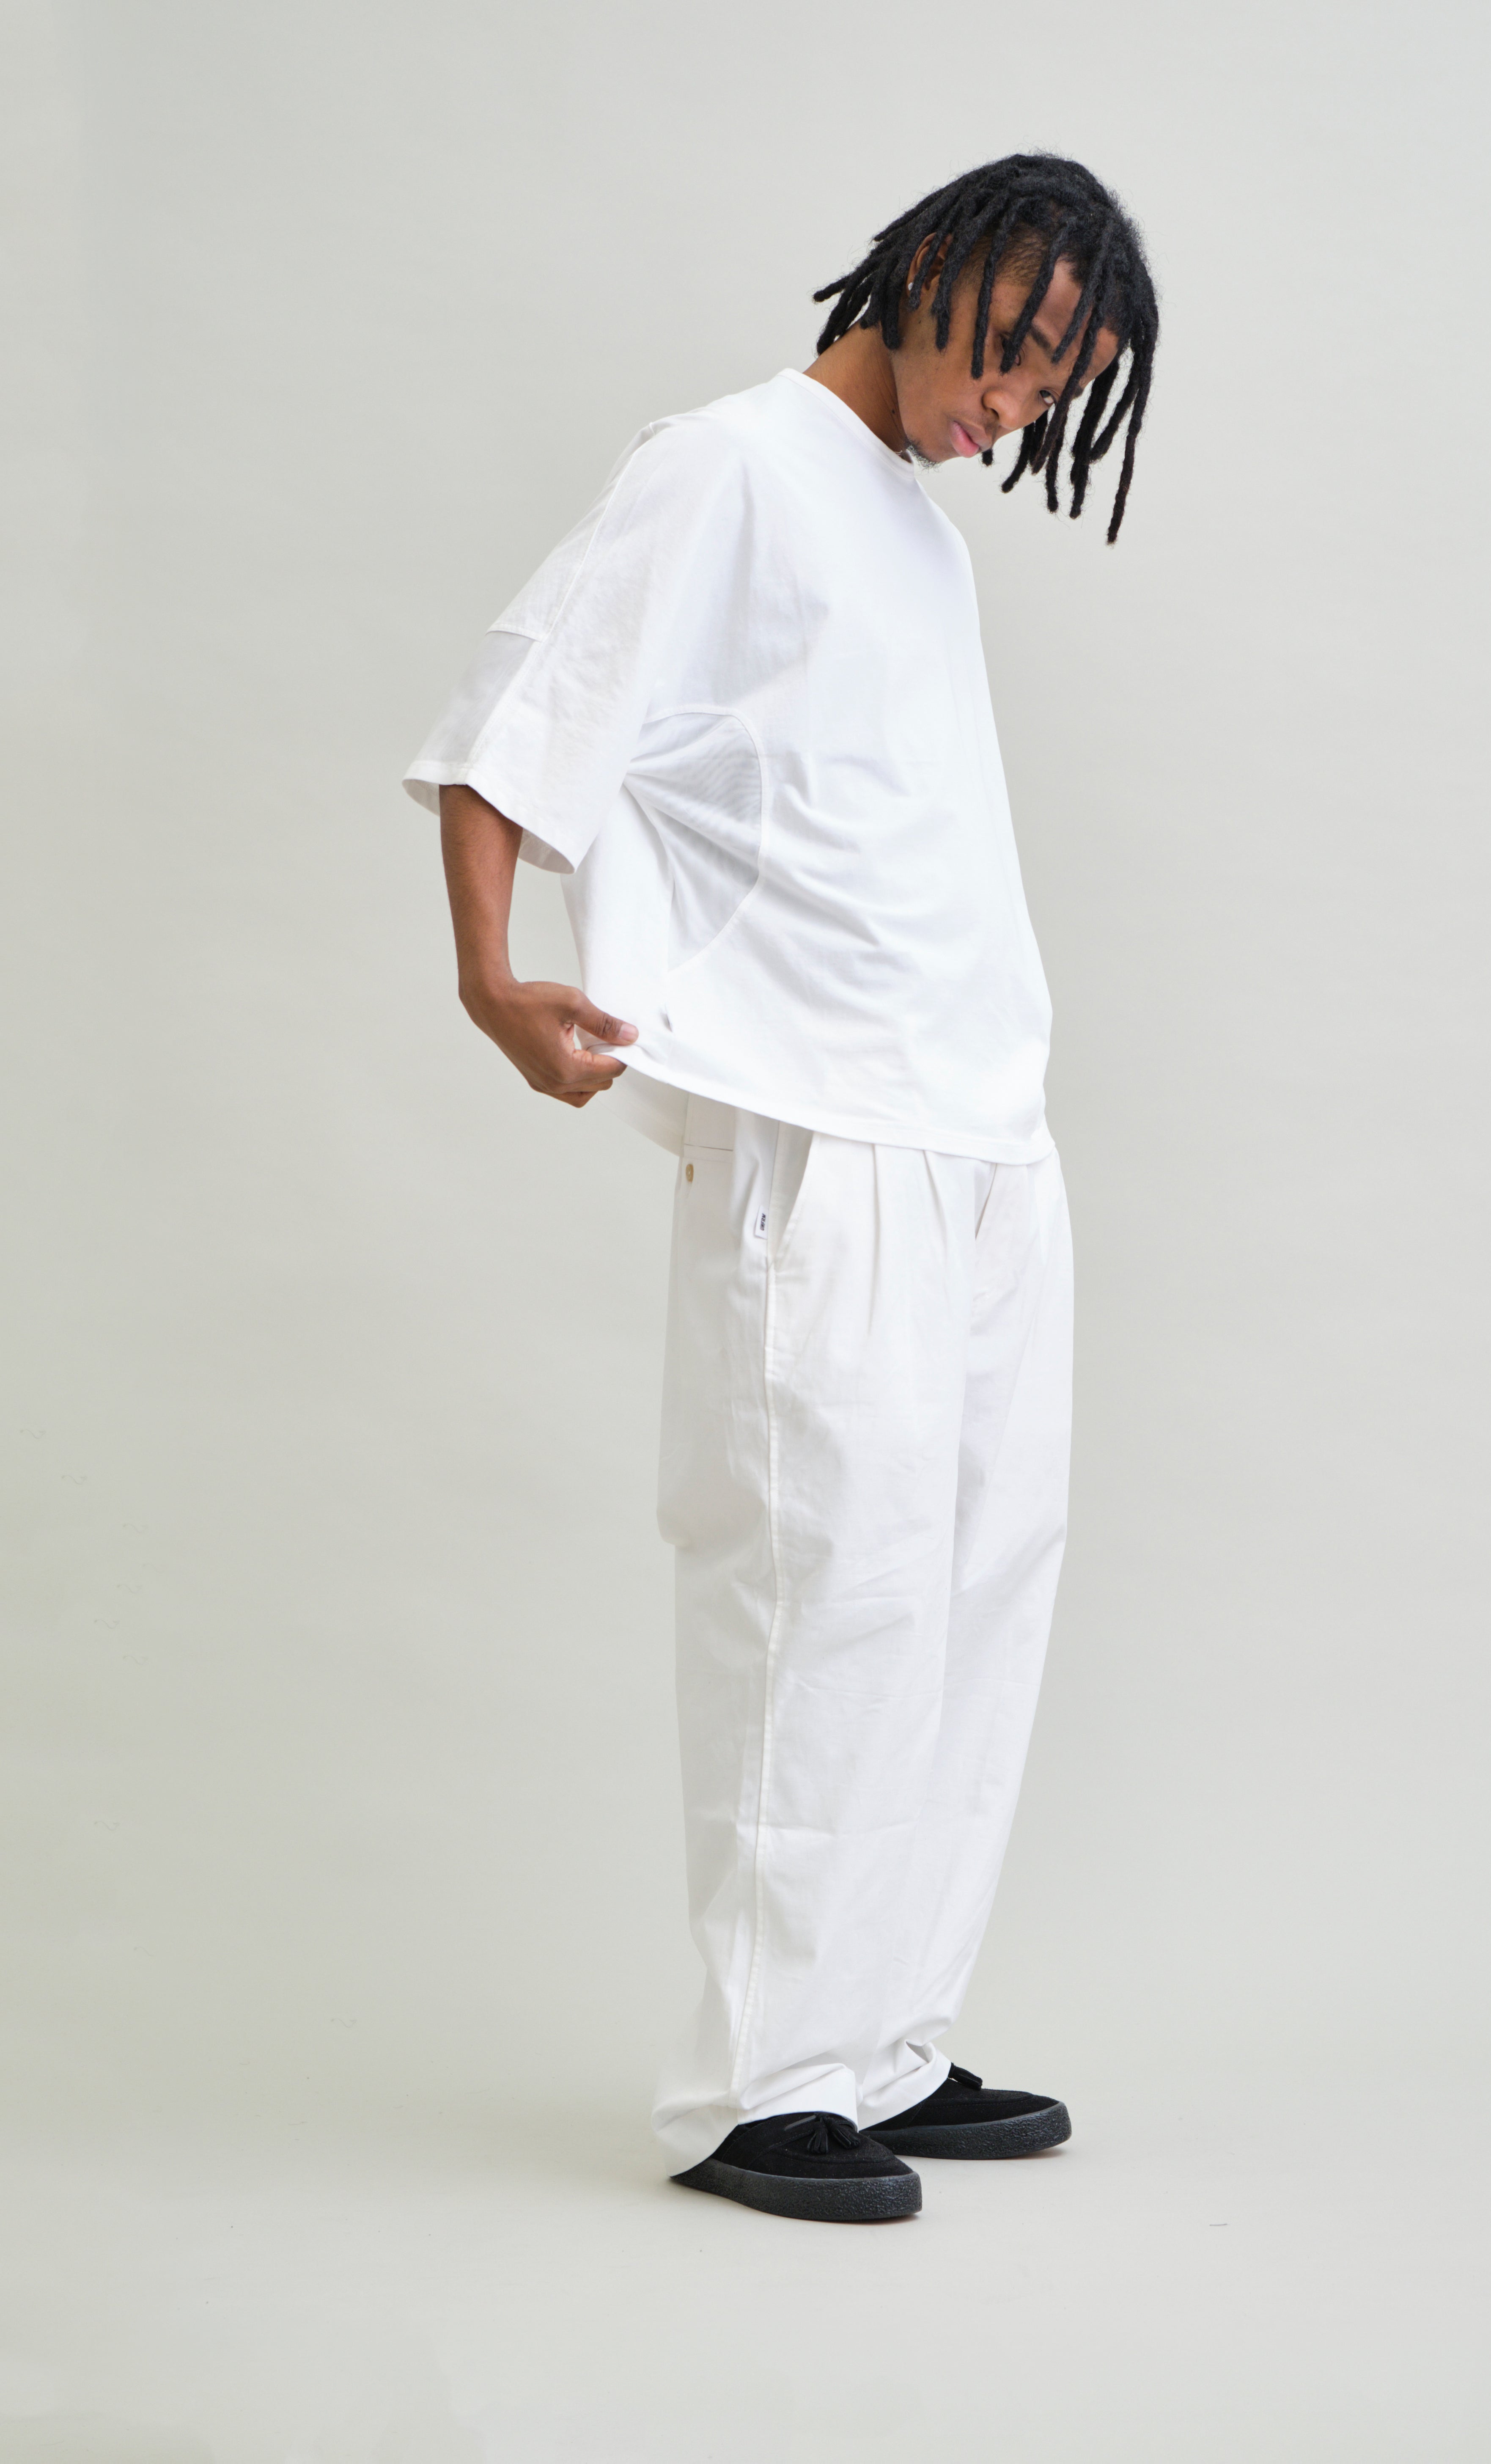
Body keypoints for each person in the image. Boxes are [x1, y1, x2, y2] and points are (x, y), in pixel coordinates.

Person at [404, 152, 1157, 2223]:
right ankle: (758, 2085)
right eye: (1011, 354)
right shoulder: (725, 468)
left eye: (1054, 388)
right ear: (925, 271)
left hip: (980, 1139)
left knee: (969, 1597)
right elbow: (516, 722)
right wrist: (491, 975)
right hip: (821, 1144)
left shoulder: (917, 533)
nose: (1012, 407)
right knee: (819, 1588)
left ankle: (882, 2039)